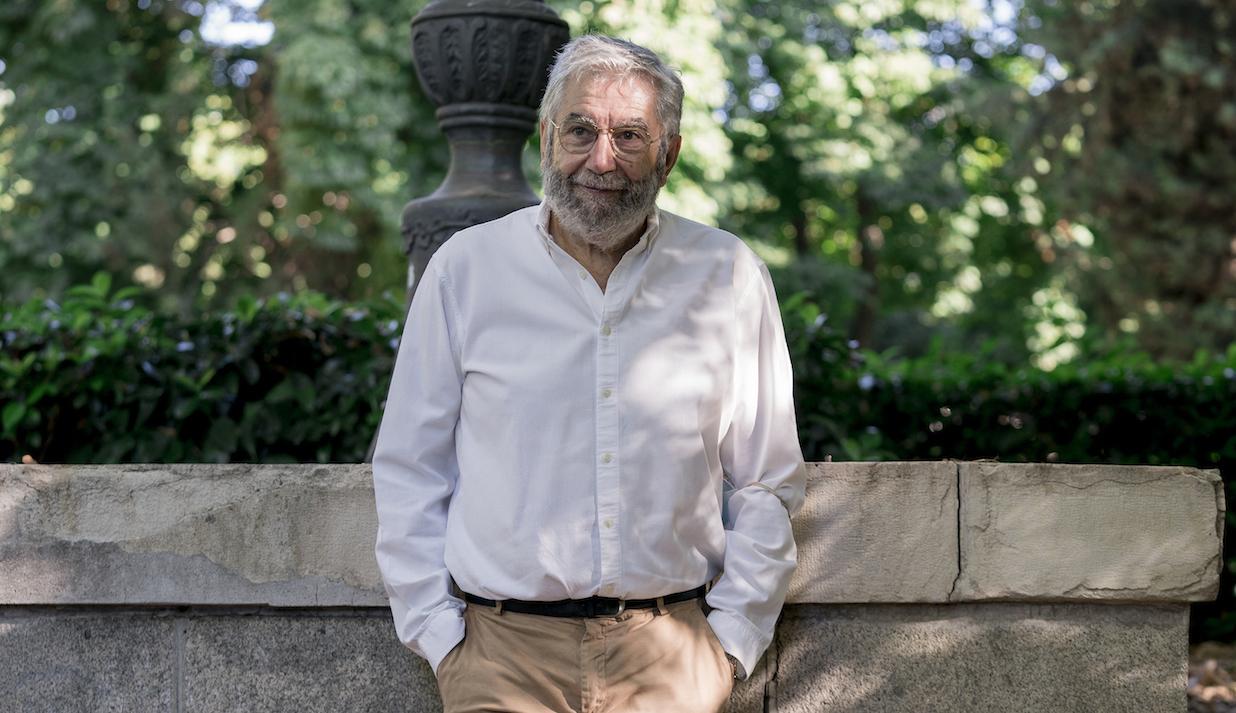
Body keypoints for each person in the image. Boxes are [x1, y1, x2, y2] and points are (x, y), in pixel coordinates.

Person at [373, 34, 806, 713]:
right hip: (500, 661)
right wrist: (442, 637)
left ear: (670, 154)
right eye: (581, 130)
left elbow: (765, 476)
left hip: (671, 661)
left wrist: (728, 643)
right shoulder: (465, 271)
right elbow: (409, 468)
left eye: (631, 136)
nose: (600, 160)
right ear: (547, 138)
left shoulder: (728, 275)